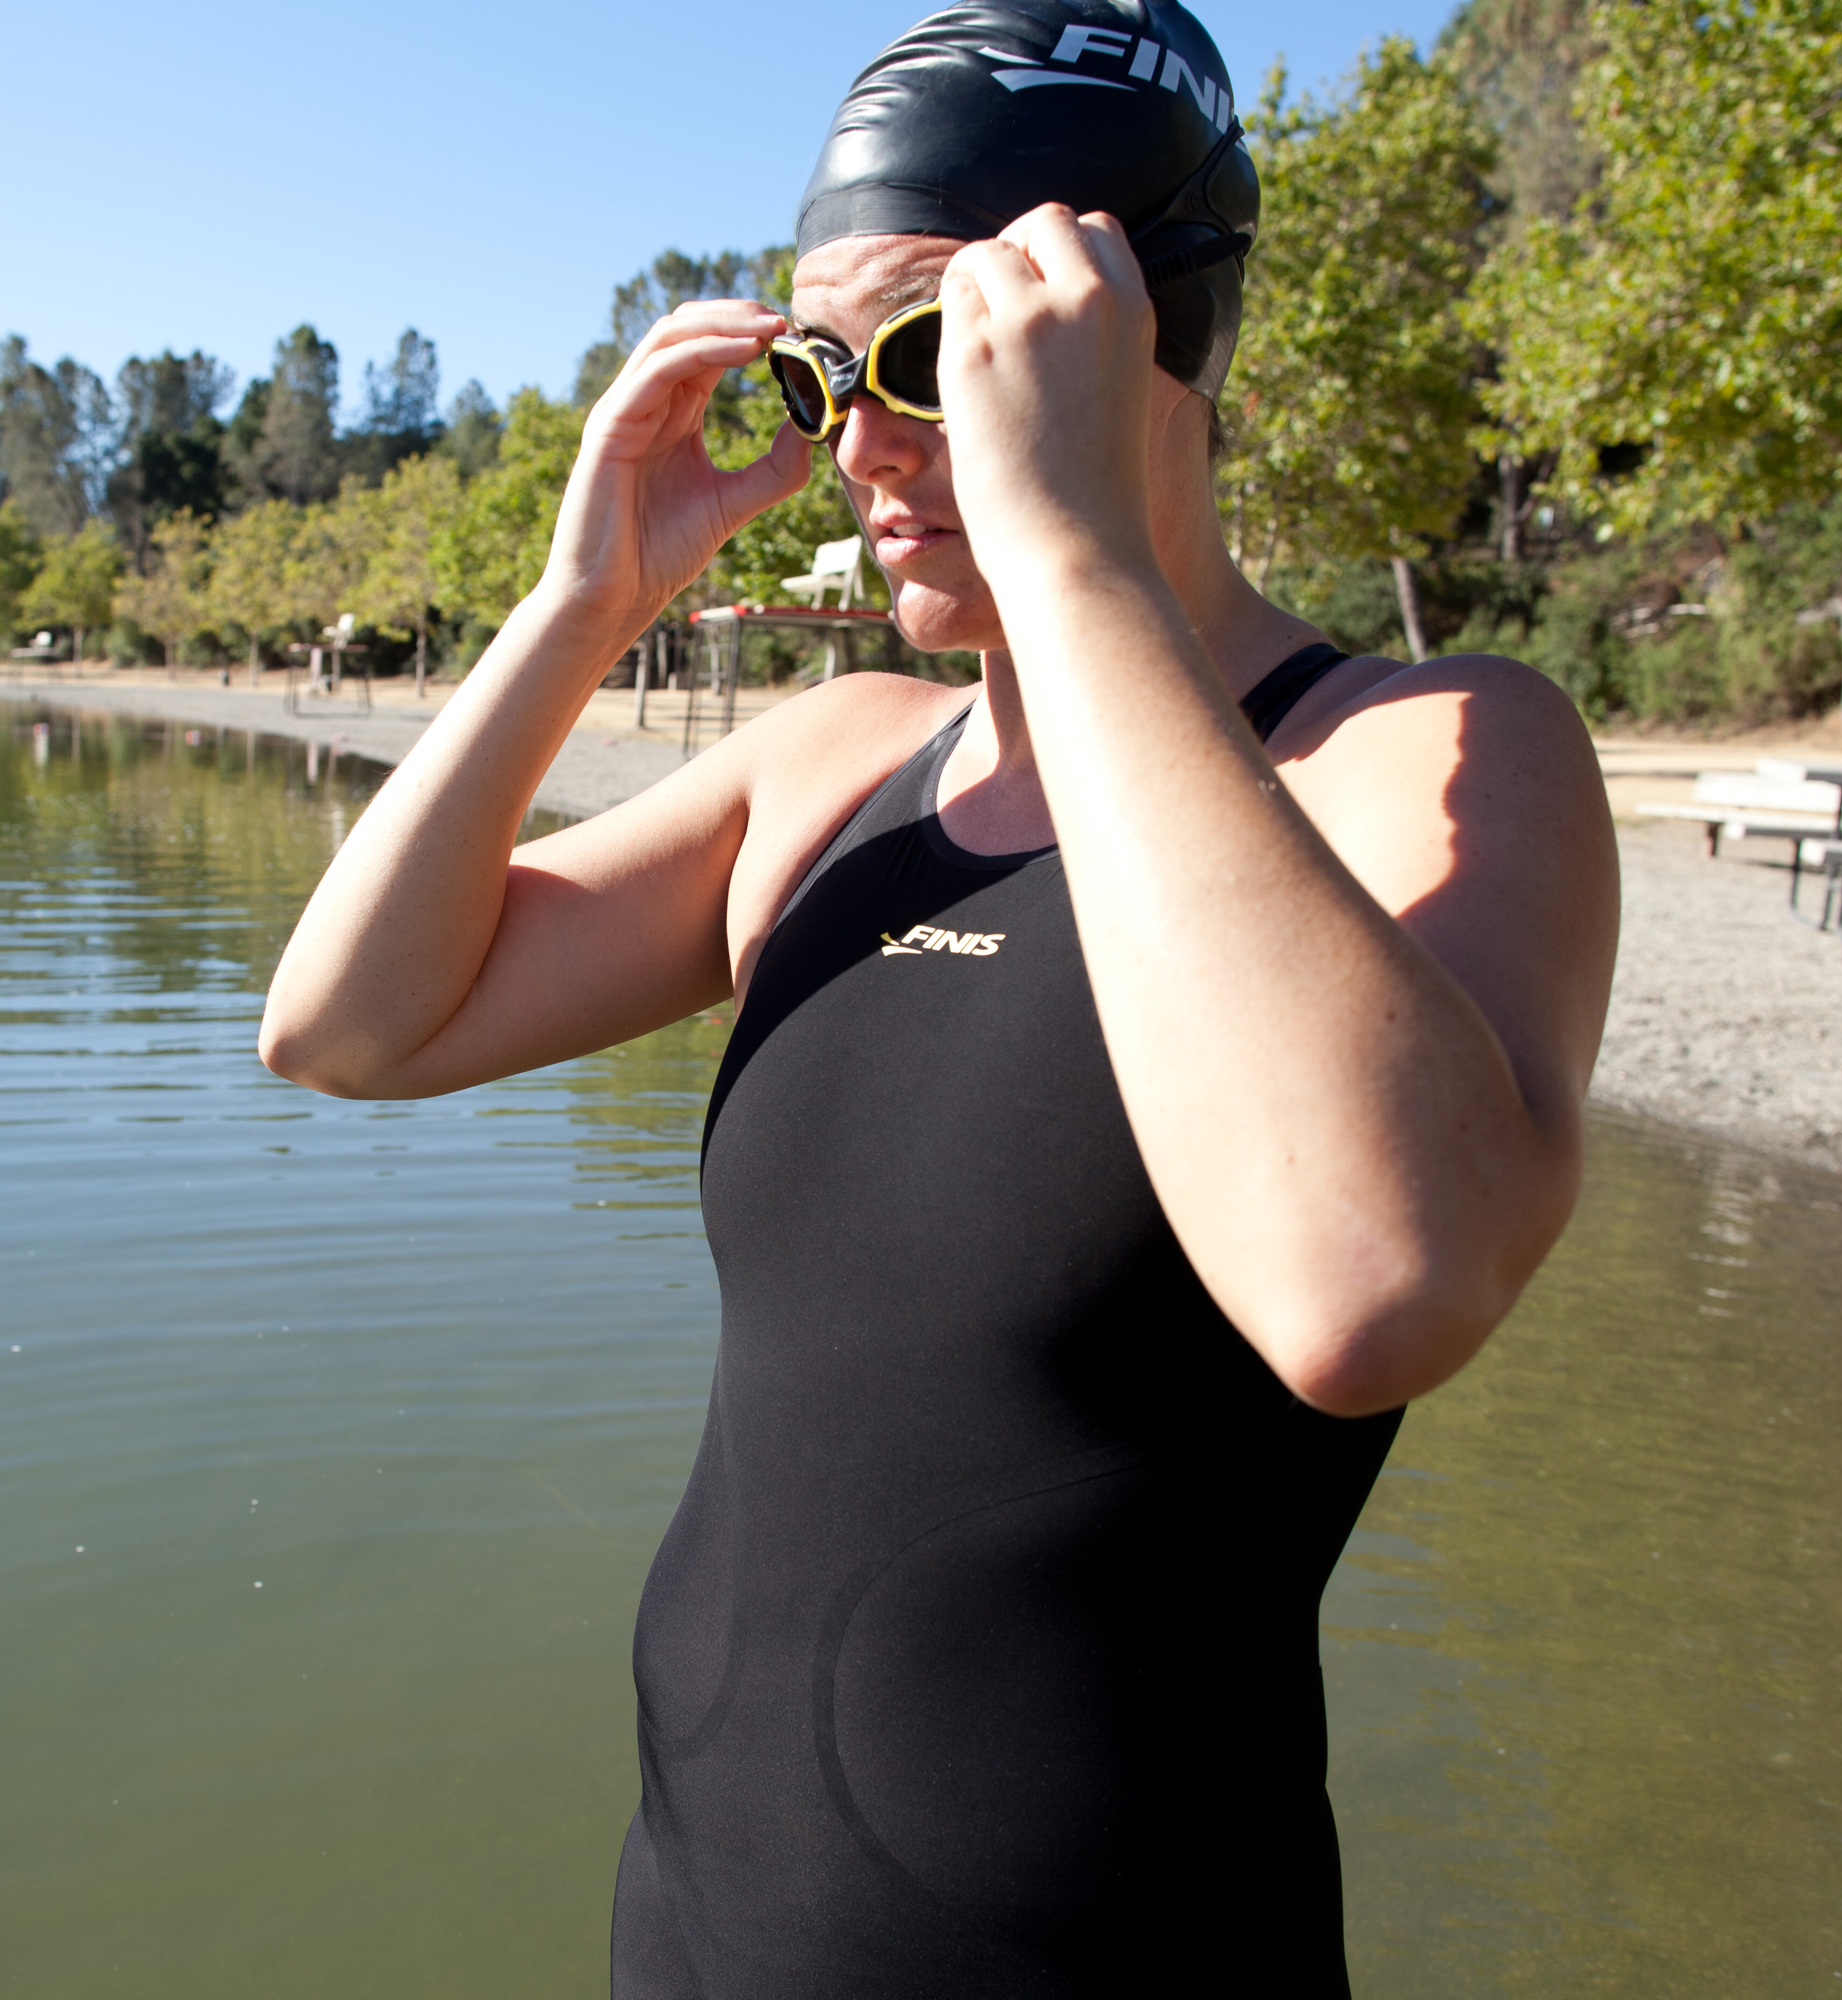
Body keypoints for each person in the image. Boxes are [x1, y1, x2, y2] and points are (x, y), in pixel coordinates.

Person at [260, 2, 1619, 1990]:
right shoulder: (836, 767)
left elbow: (1372, 1290)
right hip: (690, 1932)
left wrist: (1071, 554)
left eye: (931, 357)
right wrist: (581, 603)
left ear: (1153, 337)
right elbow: (345, 1028)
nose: (862, 444)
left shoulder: (1417, 754)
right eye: (822, 373)